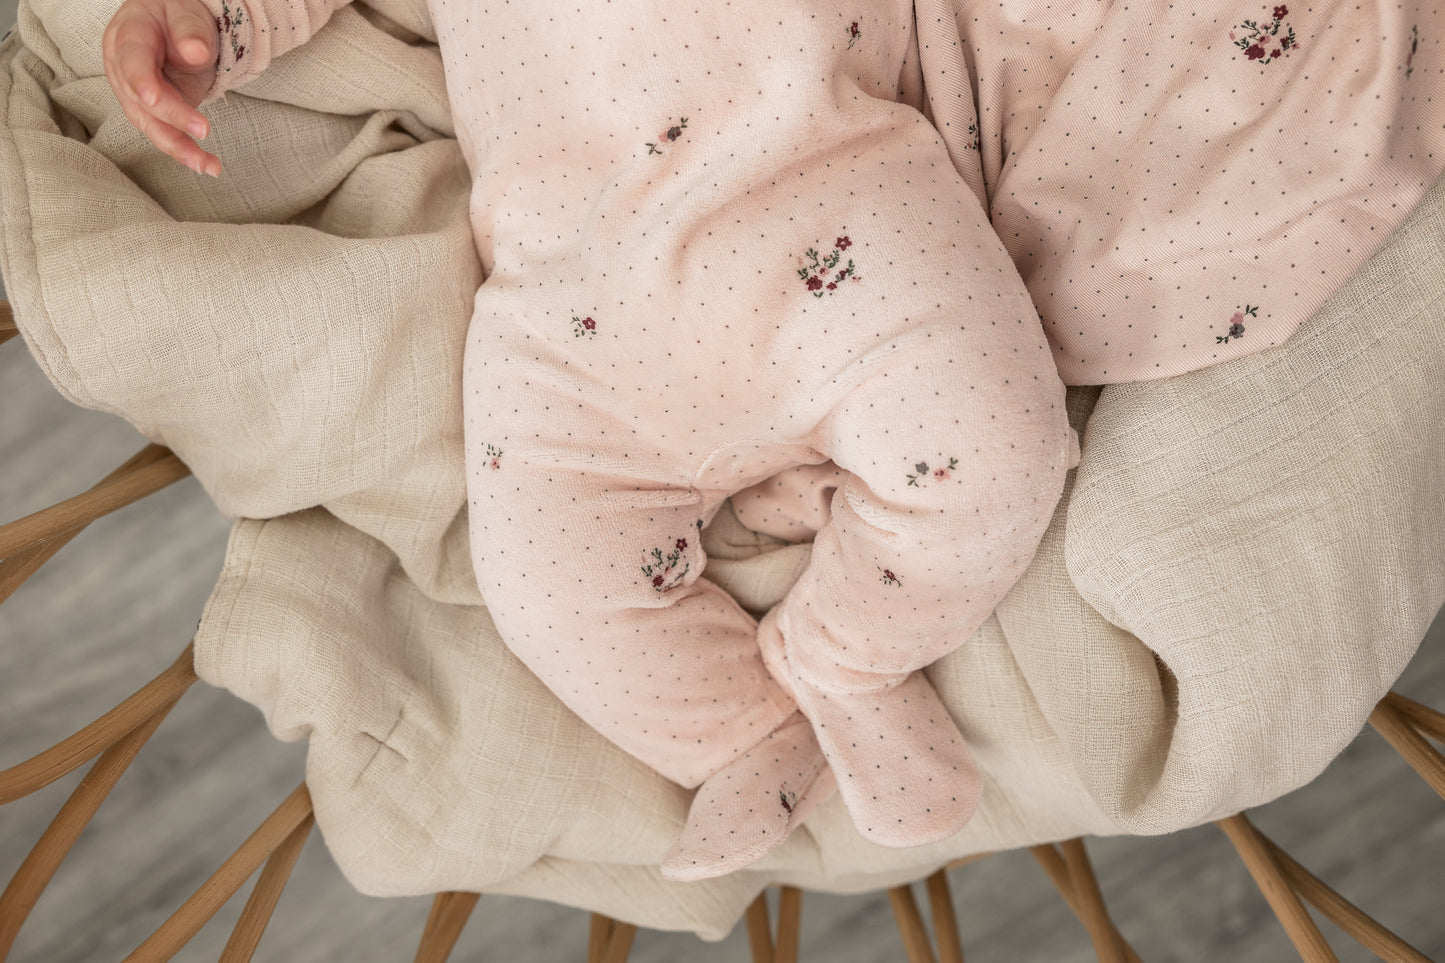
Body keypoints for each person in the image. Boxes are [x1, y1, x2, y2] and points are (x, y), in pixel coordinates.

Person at [101, 0, 1076, 881]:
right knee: (544, 582)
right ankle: (744, 734)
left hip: (834, 199)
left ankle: (846, 654)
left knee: (996, 455)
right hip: (576, 307)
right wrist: (201, 26)